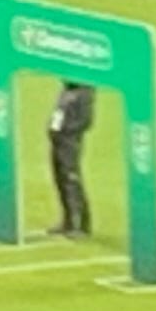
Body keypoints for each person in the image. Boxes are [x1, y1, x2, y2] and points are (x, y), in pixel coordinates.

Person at [46, 76, 95, 237]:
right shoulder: (67, 91)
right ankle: (67, 220)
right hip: (58, 140)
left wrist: (66, 131)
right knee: (60, 178)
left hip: (69, 141)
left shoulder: (84, 93)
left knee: (71, 179)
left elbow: (85, 120)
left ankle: (80, 224)